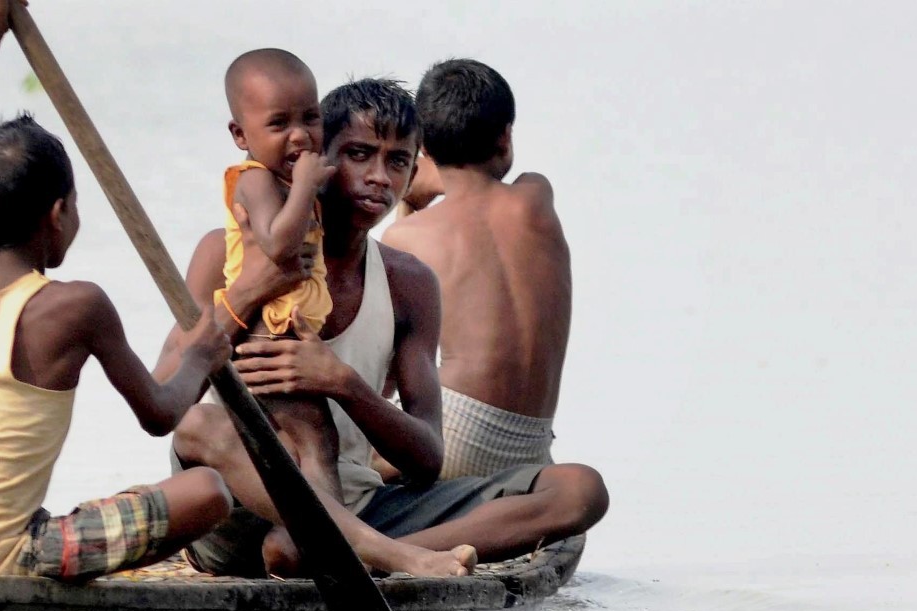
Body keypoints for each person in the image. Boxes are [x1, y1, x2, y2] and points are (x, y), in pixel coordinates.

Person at [161, 78, 608, 579]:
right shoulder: (229, 252)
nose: (379, 177)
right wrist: (247, 292)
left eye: (397, 162)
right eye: (358, 154)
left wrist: (343, 383)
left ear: (416, 170)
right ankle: (382, 556)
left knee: (579, 490)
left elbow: (427, 460)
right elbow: (167, 397)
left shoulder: (408, 282)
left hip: (356, 502)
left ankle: (353, 551)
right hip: (243, 505)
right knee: (200, 424)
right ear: (316, 157)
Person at [0, 0, 232, 582]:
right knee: (208, 492)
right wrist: (201, 353)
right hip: (7, 559)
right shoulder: (77, 306)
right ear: (60, 212)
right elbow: (159, 414)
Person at [384, 58, 570, 479]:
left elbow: (395, 356)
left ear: (424, 149)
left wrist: (410, 200)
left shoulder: (408, 237)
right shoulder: (537, 196)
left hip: (457, 430)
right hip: (532, 442)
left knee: (352, 451)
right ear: (505, 136)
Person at [212, 48, 341, 518]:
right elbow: (277, 245)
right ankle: (335, 544)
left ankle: (315, 540)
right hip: (267, 339)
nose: (301, 136)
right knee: (313, 439)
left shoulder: (282, 184)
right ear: (240, 134)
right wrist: (307, 185)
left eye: (311, 118)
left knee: (312, 441)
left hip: (283, 336)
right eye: (280, 123)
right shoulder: (254, 182)